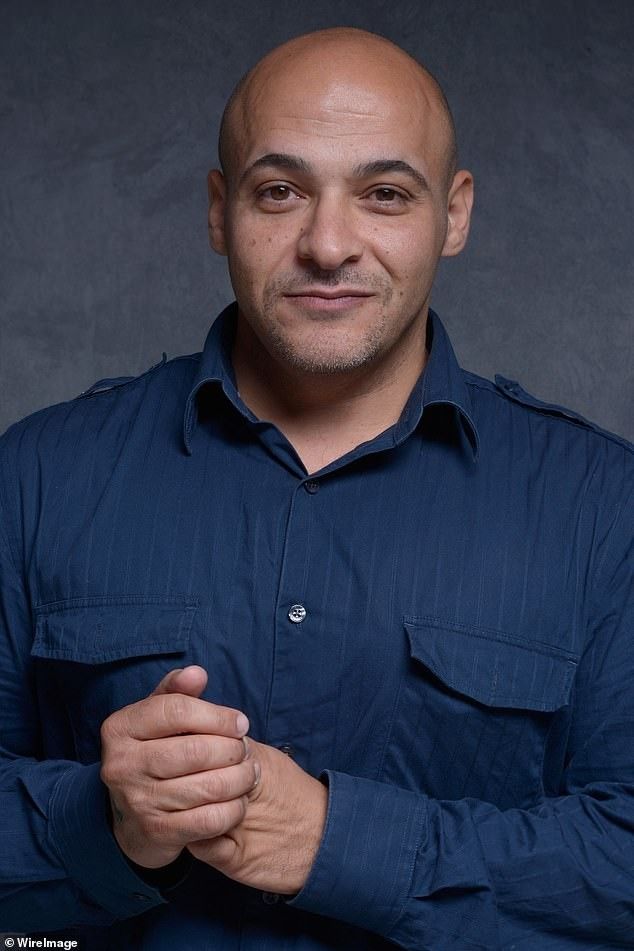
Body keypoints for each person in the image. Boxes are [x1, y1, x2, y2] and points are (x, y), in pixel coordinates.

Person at [0, 25, 632, 951]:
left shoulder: (605, 508)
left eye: (385, 194)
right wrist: (107, 824)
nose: (328, 245)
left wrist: (337, 843)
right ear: (220, 210)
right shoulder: (36, 476)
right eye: (280, 191)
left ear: (454, 214)